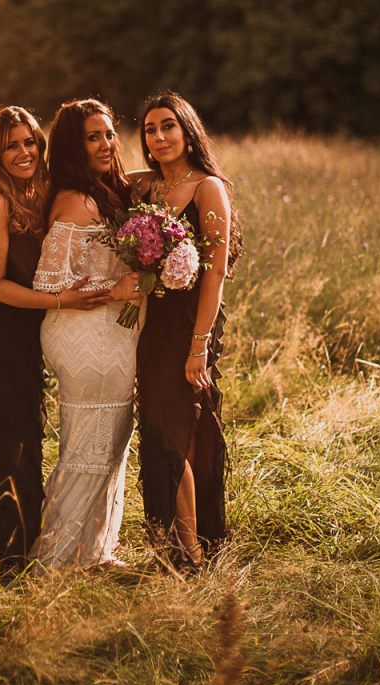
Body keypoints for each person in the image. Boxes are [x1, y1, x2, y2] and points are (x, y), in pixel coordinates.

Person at [0, 106, 110, 570]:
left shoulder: (37, 192)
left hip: (25, 333)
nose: (24, 152)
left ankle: (18, 544)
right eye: (11, 145)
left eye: (30, 143)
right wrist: (62, 302)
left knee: (23, 435)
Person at [29, 98, 142, 569]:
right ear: (75, 146)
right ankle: (56, 558)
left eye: (110, 133)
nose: (106, 144)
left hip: (110, 334)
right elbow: (49, 281)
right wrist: (117, 288)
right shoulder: (75, 200)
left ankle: (93, 551)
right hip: (84, 336)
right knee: (89, 444)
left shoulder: (105, 191)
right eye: (93, 137)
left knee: (110, 441)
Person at [132, 91, 242, 569]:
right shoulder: (145, 189)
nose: (158, 138)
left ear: (187, 130)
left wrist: (199, 345)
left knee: (176, 432)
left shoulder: (207, 189)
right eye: (150, 131)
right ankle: (175, 541)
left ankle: (192, 550)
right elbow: (102, 179)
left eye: (168, 127)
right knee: (159, 428)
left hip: (190, 328)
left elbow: (214, 272)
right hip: (150, 328)